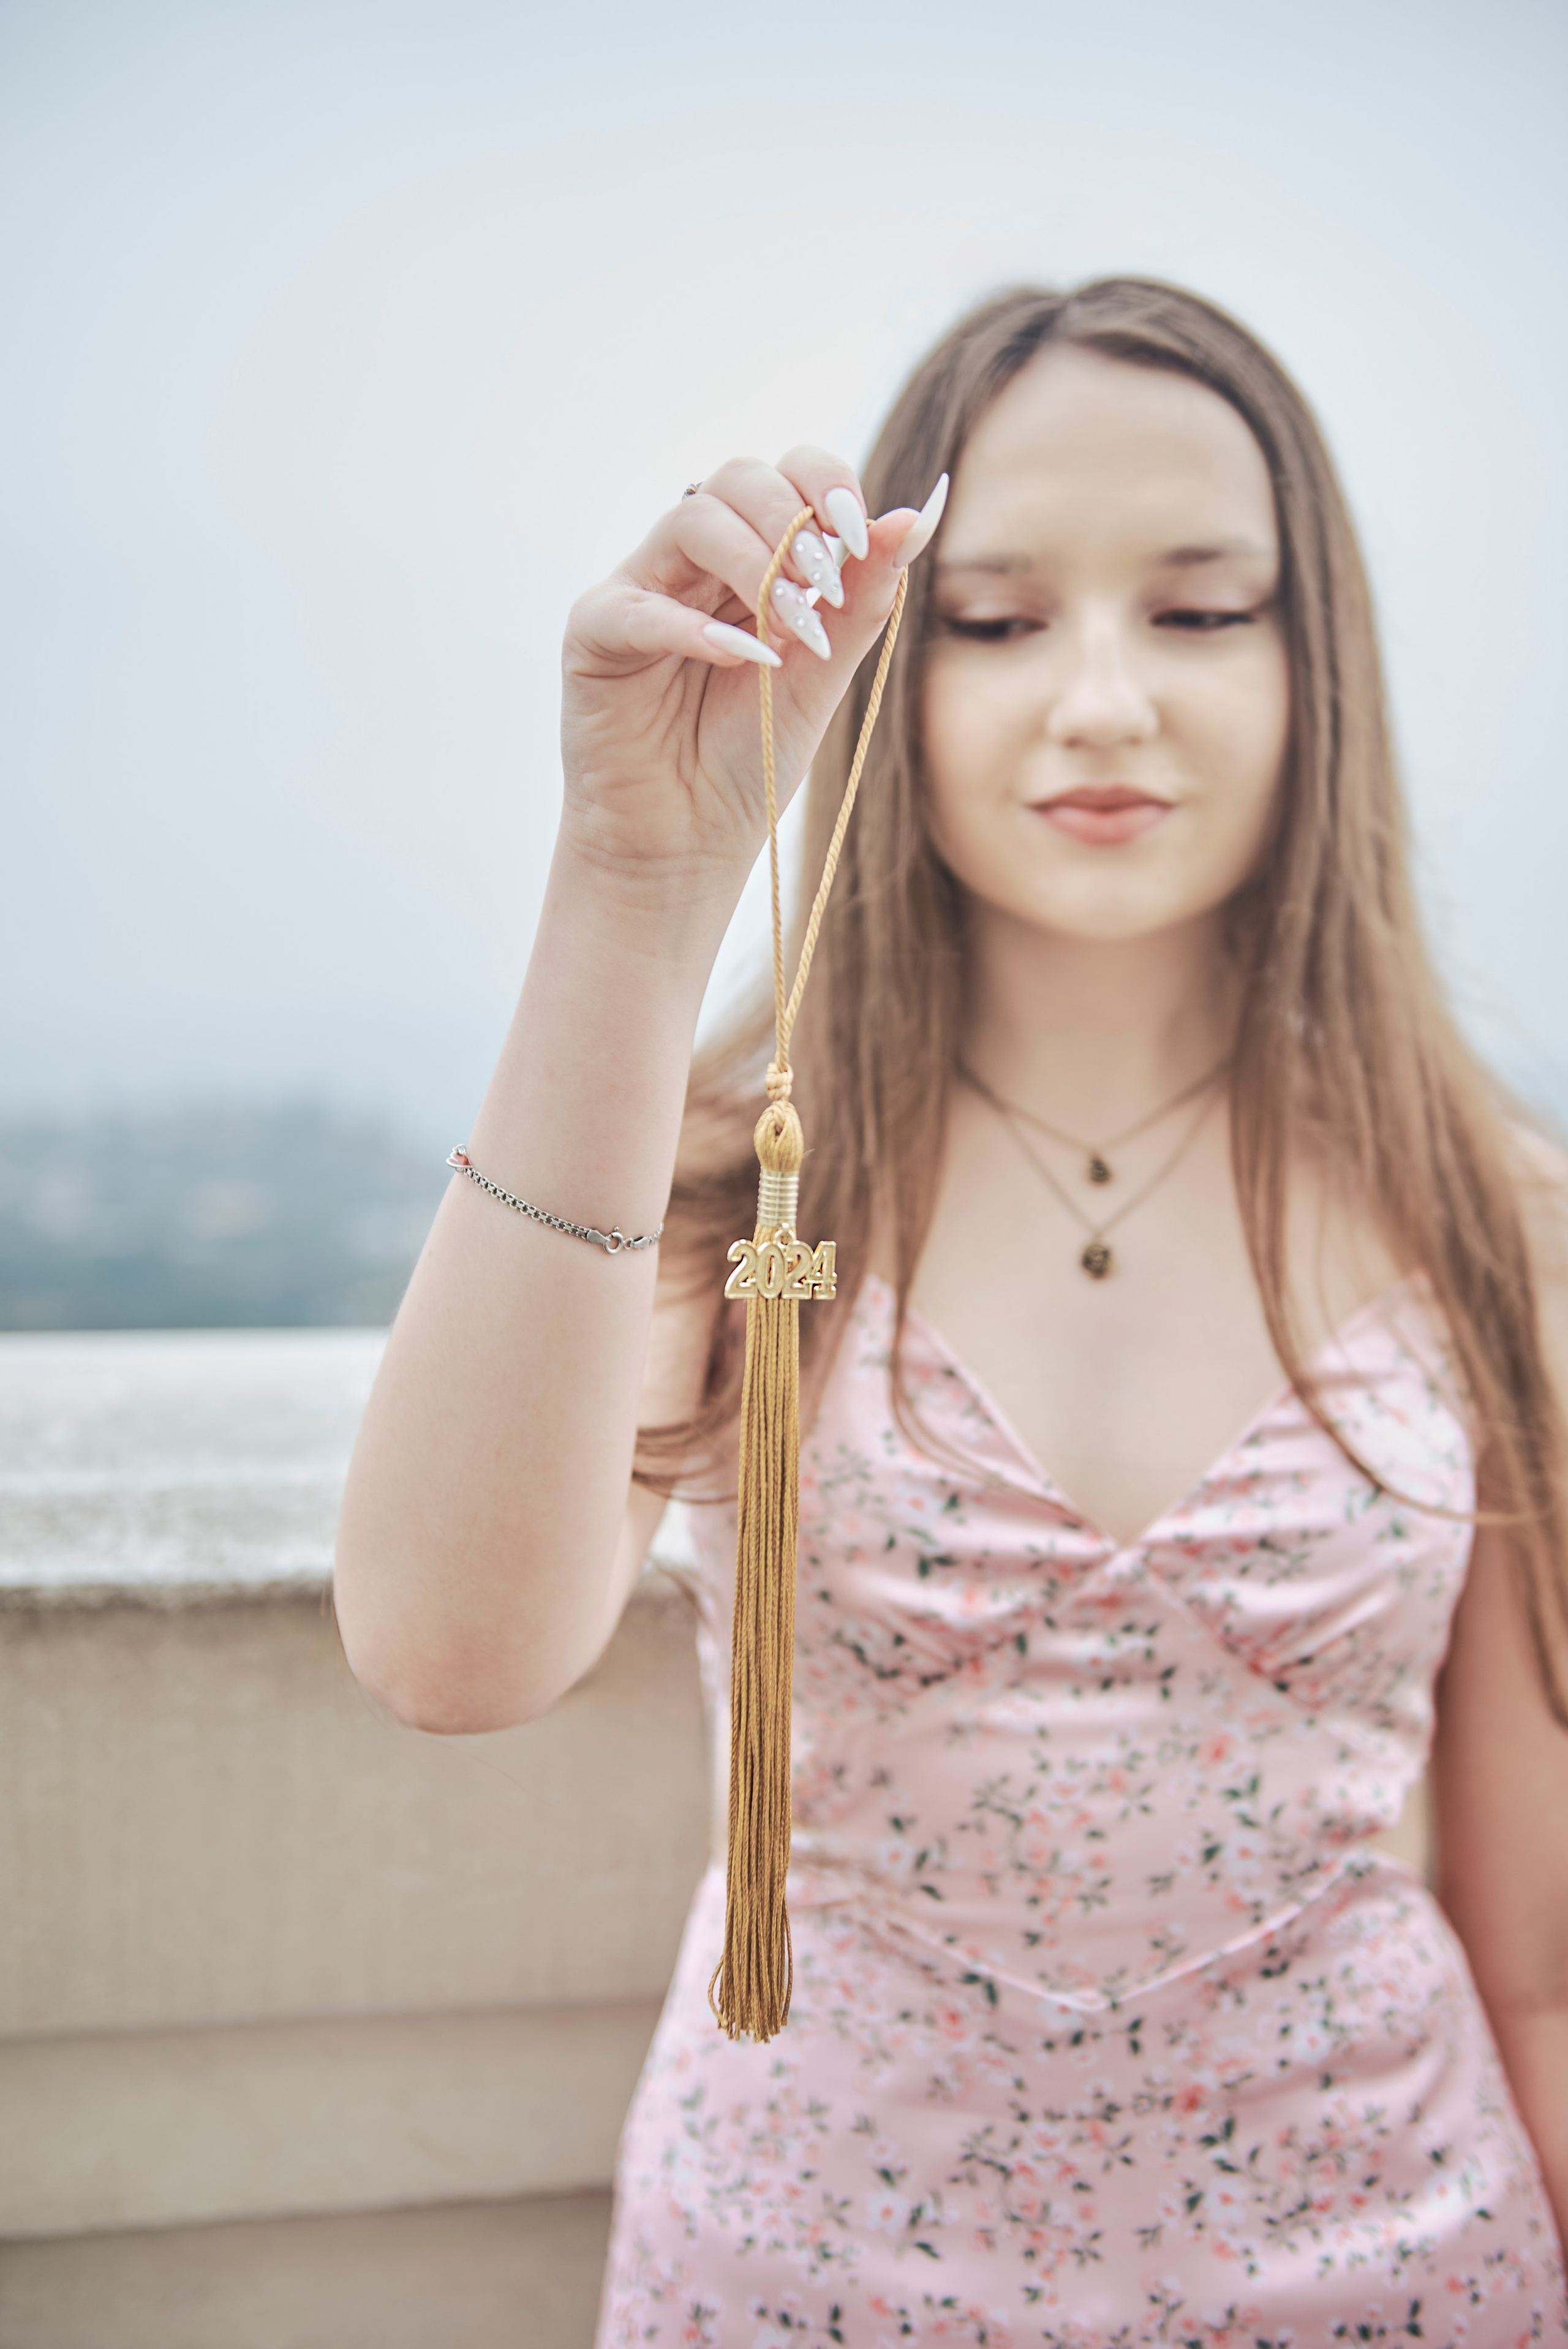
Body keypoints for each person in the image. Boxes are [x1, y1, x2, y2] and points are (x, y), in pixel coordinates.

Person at [333, 281, 1568, 2345]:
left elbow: (1541, 1960)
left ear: (1312, 657)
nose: (1100, 699)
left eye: (1198, 610)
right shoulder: (737, 1181)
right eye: (994, 618)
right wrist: (635, 887)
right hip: (804, 2286)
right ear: (889, 659)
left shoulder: (1492, 1212)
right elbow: (444, 1648)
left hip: (1397, 2277)